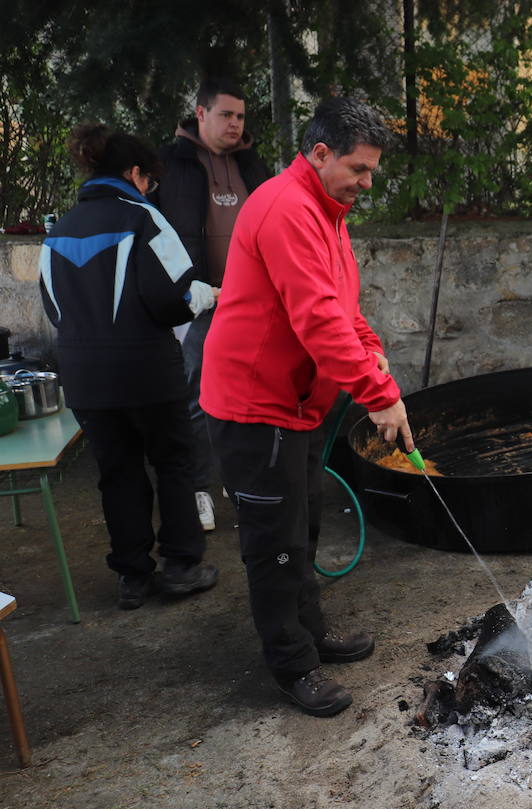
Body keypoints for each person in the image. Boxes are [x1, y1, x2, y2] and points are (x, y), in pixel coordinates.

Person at [202, 97, 412, 717]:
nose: (367, 183)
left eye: (372, 170)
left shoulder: (329, 208)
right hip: (253, 406)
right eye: (359, 169)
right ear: (320, 153)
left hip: (296, 406)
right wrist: (379, 398)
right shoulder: (286, 209)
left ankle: (310, 629)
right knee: (275, 541)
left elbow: (345, 311)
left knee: (305, 521)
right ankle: (292, 664)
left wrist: (377, 363)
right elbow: (317, 321)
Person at [37, 124, 220, 609]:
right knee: (173, 461)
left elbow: (53, 308)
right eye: (149, 179)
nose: (150, 188)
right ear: (135, 173)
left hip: (84, 377)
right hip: (146, 370)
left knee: (117, 471)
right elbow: (171, 299)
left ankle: (133, 576)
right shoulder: (145, 219)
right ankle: (182, 566)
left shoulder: (57, 231)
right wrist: (199, 298)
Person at [151, 78, 271, 533]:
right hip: (197, 302)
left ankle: (238, 481)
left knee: (250, 394)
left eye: (240, 116)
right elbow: (150, 231)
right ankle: (198, 488)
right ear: (200, 114)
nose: (236, 125)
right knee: (198, 398)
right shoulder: (171, 162)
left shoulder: (250, 162)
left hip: (251, 299)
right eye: (226, 115)